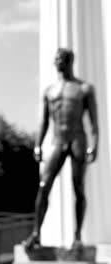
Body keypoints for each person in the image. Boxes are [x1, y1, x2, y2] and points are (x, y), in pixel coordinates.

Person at [23, 48, 99, 249]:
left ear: (68, 61)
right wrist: (38, 144)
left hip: (77, 139)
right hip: (58, 140)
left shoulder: (84, 88)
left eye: (60, 59)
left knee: (78, 187)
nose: (56, 62)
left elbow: (93, 120)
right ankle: (36, 234)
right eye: (55, 59)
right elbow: (44, 121)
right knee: (43, 185)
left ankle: (77, 237)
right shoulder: (50, 91)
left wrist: (95, 144)